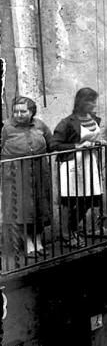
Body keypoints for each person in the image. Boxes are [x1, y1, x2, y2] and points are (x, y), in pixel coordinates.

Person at [52, 88, 107, 247]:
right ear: (81, 102)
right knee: (69, 200)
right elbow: (54, 144)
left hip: (89, 162)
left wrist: (98, 142)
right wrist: (77, 146)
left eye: (94, 101)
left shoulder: (94, 119)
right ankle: (66, 234)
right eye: (90, 101)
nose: (93, 104)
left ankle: (72, 228)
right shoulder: (67, 122)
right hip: (72, 164)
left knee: (89, 198)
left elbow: (93, 138)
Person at [1, 96, 53, 259]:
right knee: (22, 209)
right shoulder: (6, 128)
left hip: (38, 171)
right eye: (16, 111)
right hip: (16, 175)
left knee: (39, 207)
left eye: (23, 111)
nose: (19, 114)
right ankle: (28, 243)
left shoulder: (40, 125)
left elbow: (51, 144)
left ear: (31, 112)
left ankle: (38, 241)